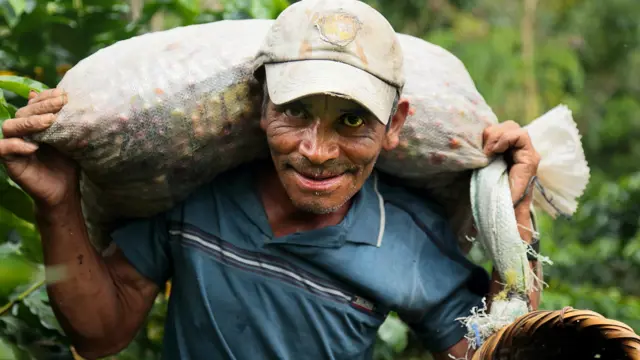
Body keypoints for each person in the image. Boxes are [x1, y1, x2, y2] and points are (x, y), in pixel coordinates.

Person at [0, 0, 542, 359]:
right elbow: (100, 334)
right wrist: (57, 203)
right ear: (261, 105)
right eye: (296, 113)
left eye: (352, 121)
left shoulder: (407, 236)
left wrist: (514, 221)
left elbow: (483, 351)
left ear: (394, 125)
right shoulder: (199, 194)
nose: (317, 152)